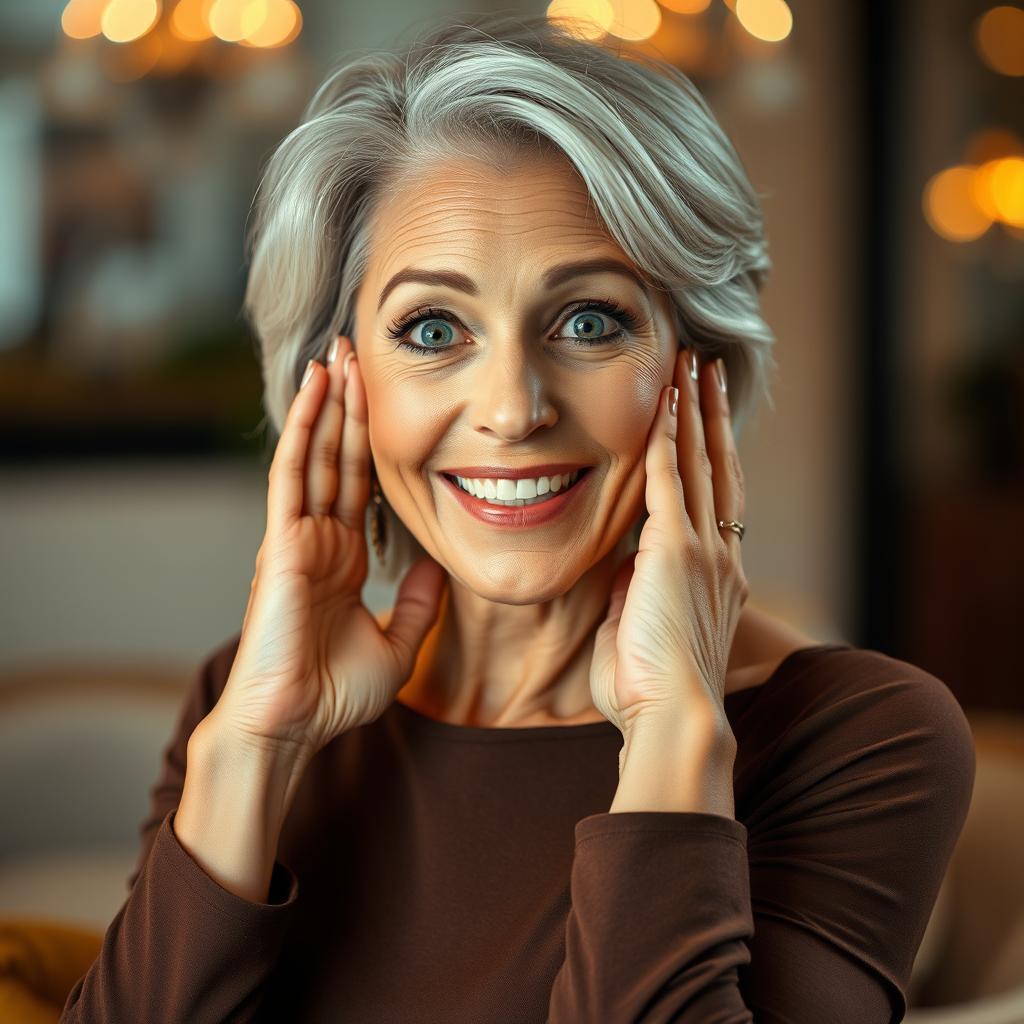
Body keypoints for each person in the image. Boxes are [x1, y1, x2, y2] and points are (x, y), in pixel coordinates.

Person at [61, 13, 975, 1023]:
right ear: (340, 379)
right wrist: (253, 751)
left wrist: (672, 734)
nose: (512, 407)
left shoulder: (853, 736)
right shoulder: (245, 702)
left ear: (696, 364)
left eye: (589, 320)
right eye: (433, 328)